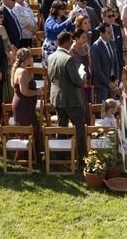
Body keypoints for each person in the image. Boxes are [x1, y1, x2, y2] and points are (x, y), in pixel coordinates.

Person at [47, 31, 87, 164]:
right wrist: (83, 76)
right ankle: (81, 157)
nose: (71, 44)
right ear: (65, 42)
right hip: (71, 98)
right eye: (70, 41)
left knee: (61, 125)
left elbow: (51, 76)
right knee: (79, 126)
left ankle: (61, 155)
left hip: (56, 97)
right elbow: (77, 80)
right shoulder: (68, 59)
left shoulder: (51, 57)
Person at [10, 48, 43, 162]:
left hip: (23, 104)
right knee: (29, 129)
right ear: (26, 58)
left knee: (28, 128)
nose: (32, 58)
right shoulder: (23, 72)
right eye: (30, 56)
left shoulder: (19, 69)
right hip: (23, 105)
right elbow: (24, 91)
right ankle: (26, 156)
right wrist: (37, 92)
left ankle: (30, 156)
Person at [96, 99, 127, 173]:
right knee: (126, 147)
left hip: (117, 135)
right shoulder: (106, 120)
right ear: (111, 109)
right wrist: (118, 139)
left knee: (126, 146)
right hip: (112, 138)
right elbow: (108, 132)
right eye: (116, 108)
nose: (116, 110)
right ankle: (123, 166)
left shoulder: (111, 116)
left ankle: (124, 164)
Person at [91, 22, 121, 103]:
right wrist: (109, 83)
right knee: (103, 108)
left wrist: (117, 78)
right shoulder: (96, 47)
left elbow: (116, 62)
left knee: (113, 106)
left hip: (113, 81)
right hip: (101, 84)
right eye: (108, 32)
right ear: (101, 33)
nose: (111, 34)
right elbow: (97, 69)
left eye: (111, 32)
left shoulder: (112, 43)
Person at [69, 28, 93, 121]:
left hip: (87, 78)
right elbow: (71, 68)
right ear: (76, 38)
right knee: (82, 103)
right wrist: (80, 81)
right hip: (79, 81)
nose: (85, 39)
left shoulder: (85, 47)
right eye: (83, 37)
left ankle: (89, 123)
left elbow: (88, 63)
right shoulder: (72, 50)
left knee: (88, 103)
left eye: (86, 37)